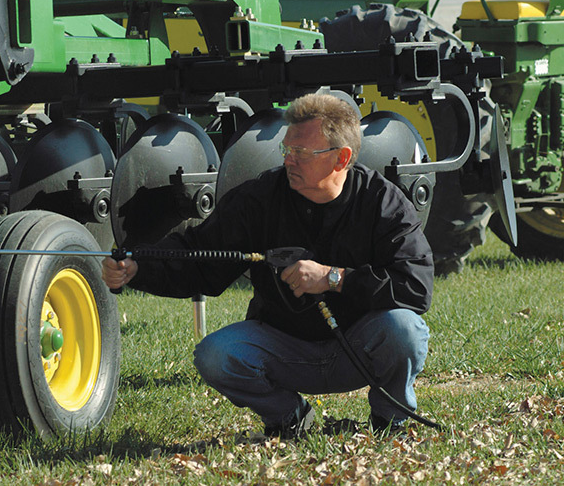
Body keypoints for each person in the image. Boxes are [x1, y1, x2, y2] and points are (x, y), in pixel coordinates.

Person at [102, 93, 433, 438]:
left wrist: (333, 278)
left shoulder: (383, 202)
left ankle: (389, 420)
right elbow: (199, 256)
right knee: (216, 355)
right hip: (285, 348)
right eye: (286, 150)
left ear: (341, 158)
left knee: (405, 330)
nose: (289, 160)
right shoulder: (260, 197)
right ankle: (289, 418)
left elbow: (416, 286)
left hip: (357, 348)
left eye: (301, 153)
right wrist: (138, 268)